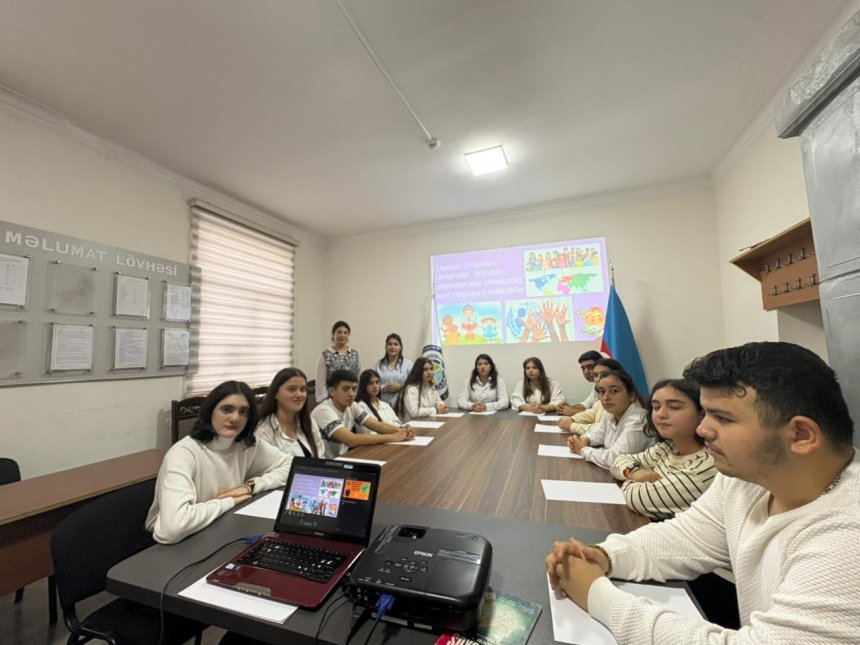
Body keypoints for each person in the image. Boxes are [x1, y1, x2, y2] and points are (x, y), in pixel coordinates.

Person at [545, 342, 859, 644]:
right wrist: (603, 555)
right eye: (706, 413)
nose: (702, 429)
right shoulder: (747, 479)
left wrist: (596, 594)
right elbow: (684, 537)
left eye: (722, 418)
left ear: (801, 435)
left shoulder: (848, 538)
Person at [145, 381, 291, 544]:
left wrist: (251, 486)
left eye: (243, 412)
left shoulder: (245, 444)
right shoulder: (183, 454)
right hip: (177, 544)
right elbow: (172, 529)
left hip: (220, 527)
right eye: (227, 409)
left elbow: (290, 466)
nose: (235, 418)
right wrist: (228, 502)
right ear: (210, 411)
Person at [610, 379, 716, 520]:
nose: (661, 414)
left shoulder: (702, 469)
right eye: (656, 407)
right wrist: (635, 472)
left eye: (674, 407)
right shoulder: (668, 447)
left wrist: (629, 479)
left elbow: (634, 498)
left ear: (702, 415)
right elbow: (619, 460)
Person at [311, 369, 413, 457]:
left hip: (345, 458)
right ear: (332, 391)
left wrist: (402, 431)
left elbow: (378, 426)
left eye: (354, 389)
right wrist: (393, 437)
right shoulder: (323, 410)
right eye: (345, 389)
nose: (351, 393)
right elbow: (351, 440)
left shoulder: (353, 406)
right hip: (324, 466)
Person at [567, 370, 651, 468]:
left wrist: (583, 449)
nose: (605, 397)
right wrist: (584, 439)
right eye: (602, 392)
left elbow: (616, 459)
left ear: (632, 396)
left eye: (614, 391)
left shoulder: (638, 420)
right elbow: (598, 434)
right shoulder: (610, 414)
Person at [255, 367, 325, 459]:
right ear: (275, 393)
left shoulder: (309, 421)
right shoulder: (263, 430)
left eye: (303, 389)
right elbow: (265, 466)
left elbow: (321, 457)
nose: (299, 395)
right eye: (292, 389)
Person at [558, 357, 623, 433]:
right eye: (596, 375)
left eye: (604, 374)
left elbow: (603, 429)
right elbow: (592, 413)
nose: (598, 379)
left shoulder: (619, 398)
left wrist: (572, 425)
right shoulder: (600, 395)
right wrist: (572, 419)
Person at [316, 320, 361, 402]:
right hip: (332, 400)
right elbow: (320, 383)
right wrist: (324, 400)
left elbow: (358, 377)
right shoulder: (325, 355)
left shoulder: (355, 354)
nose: (342, 335)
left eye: (345, 333)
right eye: (339, 332)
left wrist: (356, 396)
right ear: (333, 335)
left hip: (352, 398)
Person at [558, 350, 603, 416]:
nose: (585, 372)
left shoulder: (609, 386)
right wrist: (567, 407)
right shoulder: (595, 385)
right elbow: (585, 404)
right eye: (583, 368)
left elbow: (601, 414)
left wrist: (573, 411)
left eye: (590, 367)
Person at [376, 333, 412, 407]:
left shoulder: (408, 364)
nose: (392, 347)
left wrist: (401, 387)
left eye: (396, 344)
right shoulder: (379, 364)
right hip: (383, 403)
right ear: (386, 347)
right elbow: (373, 383)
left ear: (400, 347)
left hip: (403, 404)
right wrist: (382, 388)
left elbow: (414, 384)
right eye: (390, 344)